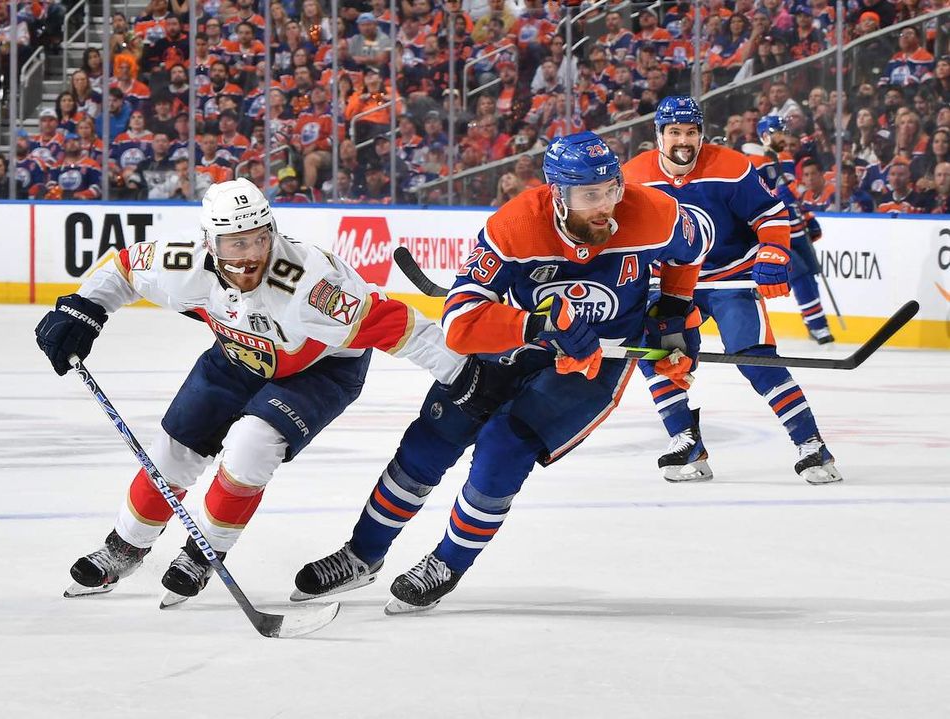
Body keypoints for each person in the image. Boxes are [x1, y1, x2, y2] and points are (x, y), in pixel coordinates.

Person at [291, 131, 711, 613]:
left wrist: (674, 312)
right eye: (589, 195)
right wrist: (539, 325)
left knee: (503, 447)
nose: (607, 205)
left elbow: (693, 245)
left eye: (612, 188)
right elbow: (459, 324)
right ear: (558, 194)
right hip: (519, 344)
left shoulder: (651, 212)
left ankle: (447, 563)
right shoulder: (516, 228)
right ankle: (362, 555)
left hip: (597, 360)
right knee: (431, 439)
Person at [35, 178, 470, 604]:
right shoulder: (182, 261)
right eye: (235, 244)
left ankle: (202, 553)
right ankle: (124, 548)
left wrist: (468, 378)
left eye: (258, 240)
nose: (249, 256)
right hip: (236, 354)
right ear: (210, 243)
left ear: (272, 233)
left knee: (251, 447)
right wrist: (84, 309)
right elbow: (124, 268)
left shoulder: (311, 287)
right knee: (172, 453)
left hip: (320, 369)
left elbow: (403, 327)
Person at [622, 96, 842, 485]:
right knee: (659, 356)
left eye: (691, 132)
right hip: (672, 283)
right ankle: (684, 440)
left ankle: (811, 445)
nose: (683, 141)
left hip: (730, 277)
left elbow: (771, 215)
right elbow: (621, 236)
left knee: (756, 360)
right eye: (674, 132)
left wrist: (774, 252)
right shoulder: (634, 176)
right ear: (658, 135)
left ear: (702, 133)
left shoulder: (732, 167)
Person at [745, 115, 834, 344]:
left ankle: (813, 322)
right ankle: (819, 325)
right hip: (775, 231)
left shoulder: (786, 158)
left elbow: (793, 196)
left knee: (810, 275)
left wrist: (807, 216)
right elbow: (754, 197)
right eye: (778, 132)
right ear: (765, 135)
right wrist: (775, 196)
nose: (783, 136)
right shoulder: (754, 162)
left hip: (796, 226)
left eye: (784, 132)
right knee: (800, 274)